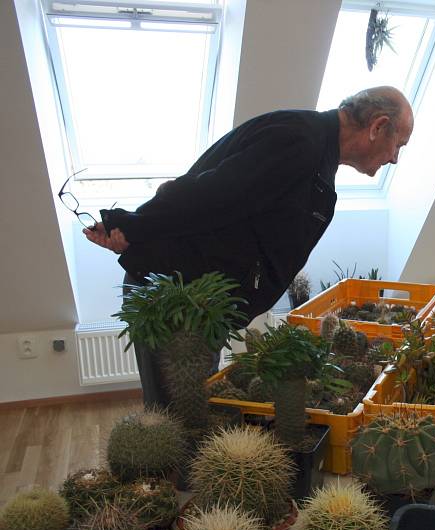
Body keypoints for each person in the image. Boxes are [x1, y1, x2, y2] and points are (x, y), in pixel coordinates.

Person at [84, 86, 414, 408]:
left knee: (191, 415)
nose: (396, 158)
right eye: (398, 145)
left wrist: (134, 229)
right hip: (176, 301)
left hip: (201, 304)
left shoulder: (315, 148)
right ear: (378, 126)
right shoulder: (299, 141)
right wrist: (131, 227)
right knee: (177, 418)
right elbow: (208, 197)